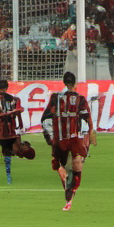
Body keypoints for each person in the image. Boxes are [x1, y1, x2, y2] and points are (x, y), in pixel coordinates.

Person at [42, 71, 96, 211]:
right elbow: (87, 120)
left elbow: (45, 119)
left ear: (64, 83)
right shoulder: (80, 100)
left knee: (61, 167)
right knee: (77, 167)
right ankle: (71, 194)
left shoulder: (55, 98)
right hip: (75, 139)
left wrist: (50, 138)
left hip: (60, 140)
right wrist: (89, 137)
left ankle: (68, 195)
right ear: (75, 83)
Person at [0, 79, 25, 184]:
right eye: (0, 89)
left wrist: (20, 124)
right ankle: (8, 173)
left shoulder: (12, 99)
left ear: (6, 89)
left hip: (12, 128)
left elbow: (19, 111)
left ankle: (10, 171)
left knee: (14, 149)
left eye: (3, 89)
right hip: (2, 129)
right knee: (6, 151)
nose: (1, 91)